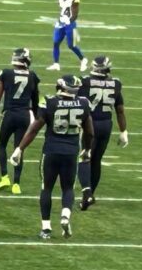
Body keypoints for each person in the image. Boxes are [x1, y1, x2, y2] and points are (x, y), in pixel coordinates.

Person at [10, 75, 94, 240]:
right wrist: (87, 149)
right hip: (71, 151)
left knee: (46, 188)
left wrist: (19, 148)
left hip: (51, 150)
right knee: (68, 188)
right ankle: (65, 215)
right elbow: (90, 132)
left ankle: (46, 228)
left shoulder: (49, 102)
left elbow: (34, 129)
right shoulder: (84, 103)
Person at [77, 56, 128, 211]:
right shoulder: (115, 84)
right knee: (96, 160)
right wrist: (123, 131)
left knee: (85, 157)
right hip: (106, 124)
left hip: (89, 124)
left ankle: (87, 193)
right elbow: (119, 110)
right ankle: (91, 194)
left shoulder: (85, 81)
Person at [0, 48, 39, 195]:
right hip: (25, 115)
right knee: (18, 149)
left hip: (9, 114)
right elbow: (35, 102)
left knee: (1, 144)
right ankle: (17, 184)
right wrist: (36, 120)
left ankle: (4, 177)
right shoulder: (33, 76)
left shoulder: (6, 73)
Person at [47, 0, 87, 72]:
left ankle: (83, 59)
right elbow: (63, 10)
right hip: (61, 22)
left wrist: (69, 22)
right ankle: (56, 64)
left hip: (69, 24)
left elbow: (75, 14)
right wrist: (61, 19)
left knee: (71, 45)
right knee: (56, 42)